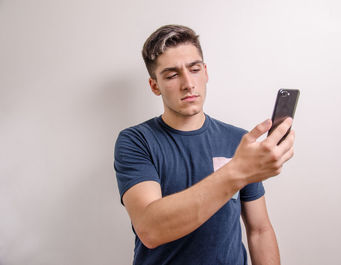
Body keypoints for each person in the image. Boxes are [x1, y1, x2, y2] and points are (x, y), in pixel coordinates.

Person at [114, 24, 295, 265]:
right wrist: (238, 171)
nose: (188, 83)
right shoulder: (136, 141)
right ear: (155, 85)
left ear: (206, 72)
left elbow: (260, 230)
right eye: (172, 75)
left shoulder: (238, 142)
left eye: (194, 69)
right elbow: (150, 229)